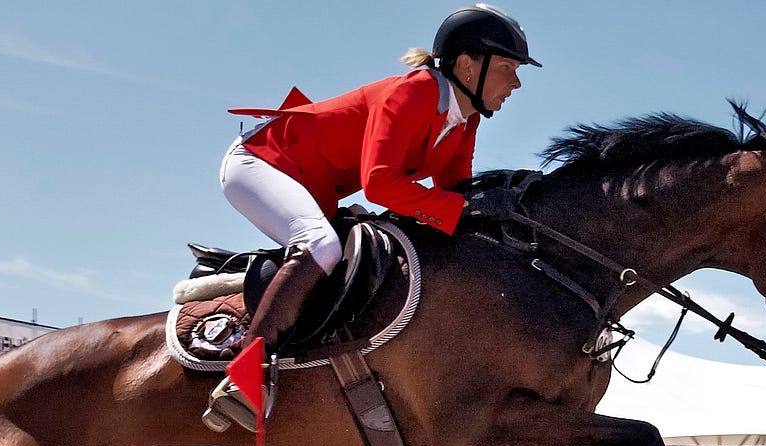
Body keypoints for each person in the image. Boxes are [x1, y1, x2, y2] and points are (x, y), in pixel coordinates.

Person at [212, 3, 538, 408]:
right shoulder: (413, 91)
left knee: (360, 251)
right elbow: (379, 184)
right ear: (468, 64)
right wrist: (463, 209)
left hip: (314, 185)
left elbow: (455, 192)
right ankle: (246, 370)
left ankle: (241, 294)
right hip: (262, 160)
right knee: (321, 245)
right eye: (509, 68)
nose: (516, 83)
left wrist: (510, 206)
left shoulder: (464, 120)